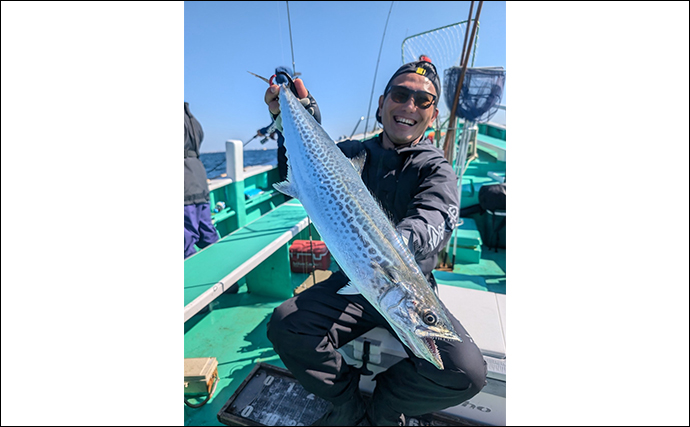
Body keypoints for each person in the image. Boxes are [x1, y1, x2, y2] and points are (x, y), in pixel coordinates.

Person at [264, 59, 487, 425]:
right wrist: (298, 120)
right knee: (285, 324)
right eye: (401, 95)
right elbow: (304, 171)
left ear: (432, 116)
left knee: (466, 372)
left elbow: (434, 218)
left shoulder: (436, 168)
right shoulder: (351, 151)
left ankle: (384, 404)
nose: (409, 106)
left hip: (408, 285)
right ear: (382, 103)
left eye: (423, 101)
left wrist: (389, 248)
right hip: (352, 282)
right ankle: (349, 406)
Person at [256, 66, 321, 182]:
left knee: (288, 180)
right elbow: (278, 123)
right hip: (306, 149)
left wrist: (263, 131)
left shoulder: (279, 96)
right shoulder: (294, 93)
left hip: (285, 148)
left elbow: (275, 124)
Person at [184, 102, 219, 259]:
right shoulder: (192, 119)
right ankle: (227, 280)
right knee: (208, 235)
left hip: (184, 184)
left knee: (185, 243)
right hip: (199, 179)